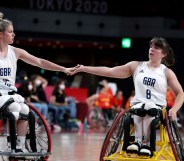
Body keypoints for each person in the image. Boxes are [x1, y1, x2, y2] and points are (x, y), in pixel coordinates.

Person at [71, 37, 184, 156]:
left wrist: (174, 109)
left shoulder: (166, 72)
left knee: (149, 106)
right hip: (137, 108)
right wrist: (84, 68)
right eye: (151, 46)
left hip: (157, 111)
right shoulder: (136, 66)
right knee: (140, 107)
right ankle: (138, 141)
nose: (152, 49)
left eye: (156, 48)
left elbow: (180, 93)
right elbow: (109, 71)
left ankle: (144, 142)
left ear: (164, 54)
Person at [0, 12, 75, 153]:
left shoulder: (15, 52)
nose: (14, 34)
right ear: (1, 35)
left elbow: (40, 62)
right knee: (15, 108)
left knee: (26, 110)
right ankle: (11, 145)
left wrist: (63, 68)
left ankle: (20, 147)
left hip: (9, 94)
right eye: (10, 32)